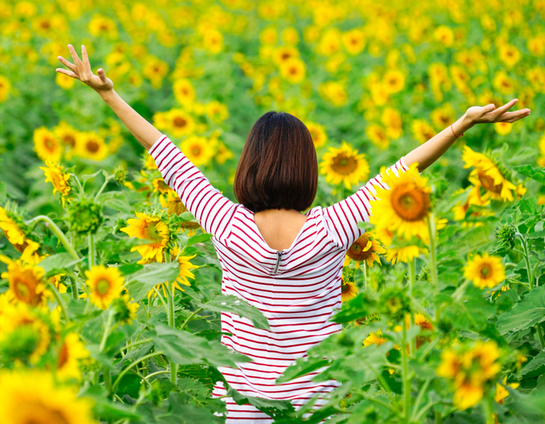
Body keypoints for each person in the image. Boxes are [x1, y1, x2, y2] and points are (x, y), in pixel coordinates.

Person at [57, 44, 531, 422]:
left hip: (244, 409)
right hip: (312, 410)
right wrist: (461, 125)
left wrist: (108, 95)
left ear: (250, 164)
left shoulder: (226, 222)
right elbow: (399, 173)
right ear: (308, 166)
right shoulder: (332, 227)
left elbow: (166, 152)